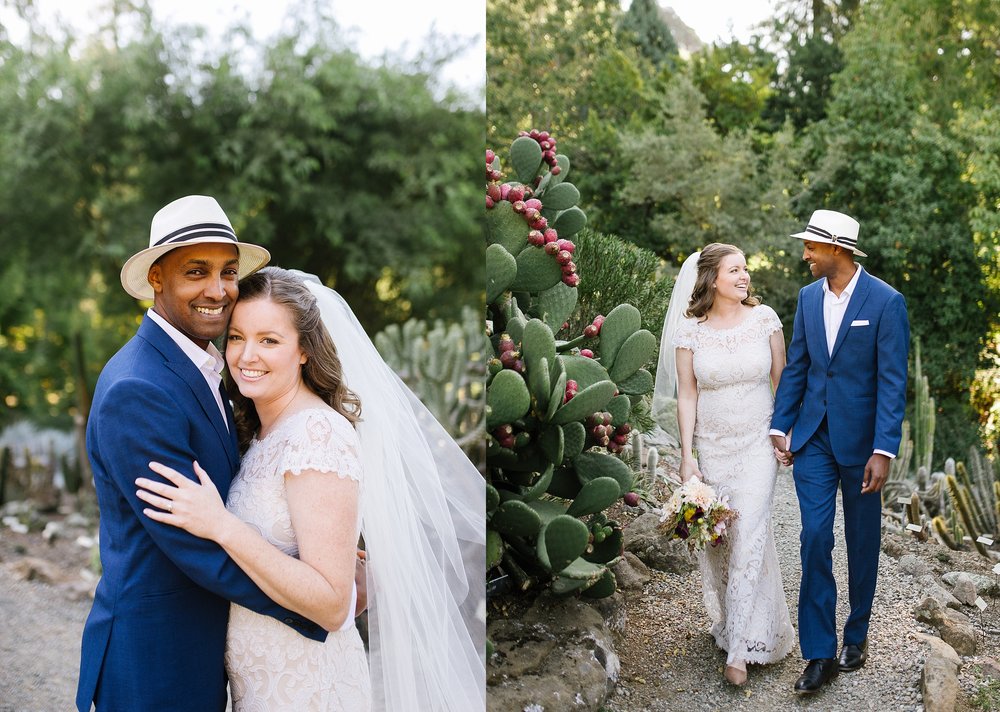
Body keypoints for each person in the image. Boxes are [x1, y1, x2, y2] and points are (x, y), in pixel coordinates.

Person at [135, 267, 486, 711]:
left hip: (308, 688)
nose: (246, 355)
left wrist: (220, 525)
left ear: (303, 350)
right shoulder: (260, 432)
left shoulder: (316, 433)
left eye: (269, 340)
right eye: (237, 337)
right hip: (262, 684)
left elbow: (333, 604)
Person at [77, 195, 330, 712]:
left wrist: (319, 555)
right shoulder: (138, 388)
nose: (217, 290)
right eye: (197, 272)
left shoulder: (205, 366)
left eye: (228, 272)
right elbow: (192, 546)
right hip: (156, 664)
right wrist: (315, 602)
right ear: (157, 279)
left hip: (202, 651)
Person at [769, 209, 909, 694]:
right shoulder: (807, 298)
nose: (804, 253)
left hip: (863, 445)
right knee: (813, 536)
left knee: (862, 542)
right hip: (813, 439)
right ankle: (820, 652)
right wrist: (780, 425)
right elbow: (800, 365)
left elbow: (893, 382)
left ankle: (858, 633)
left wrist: (884, 450)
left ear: (837, 250)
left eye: (811, 246)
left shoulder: (887, 302)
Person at [653, 243, 795, 687]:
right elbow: (688, 395)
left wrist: (784, 431)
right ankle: (751, 624)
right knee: (723, 540)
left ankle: (737, 652)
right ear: (713, 278)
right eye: (735, 270)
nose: (744, 276)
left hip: (756, 444)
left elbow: (782, 379)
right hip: (712, 449)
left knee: (750, 529)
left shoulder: (765, 319)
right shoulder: (690, 332)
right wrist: (687, 456)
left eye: (746, 270)